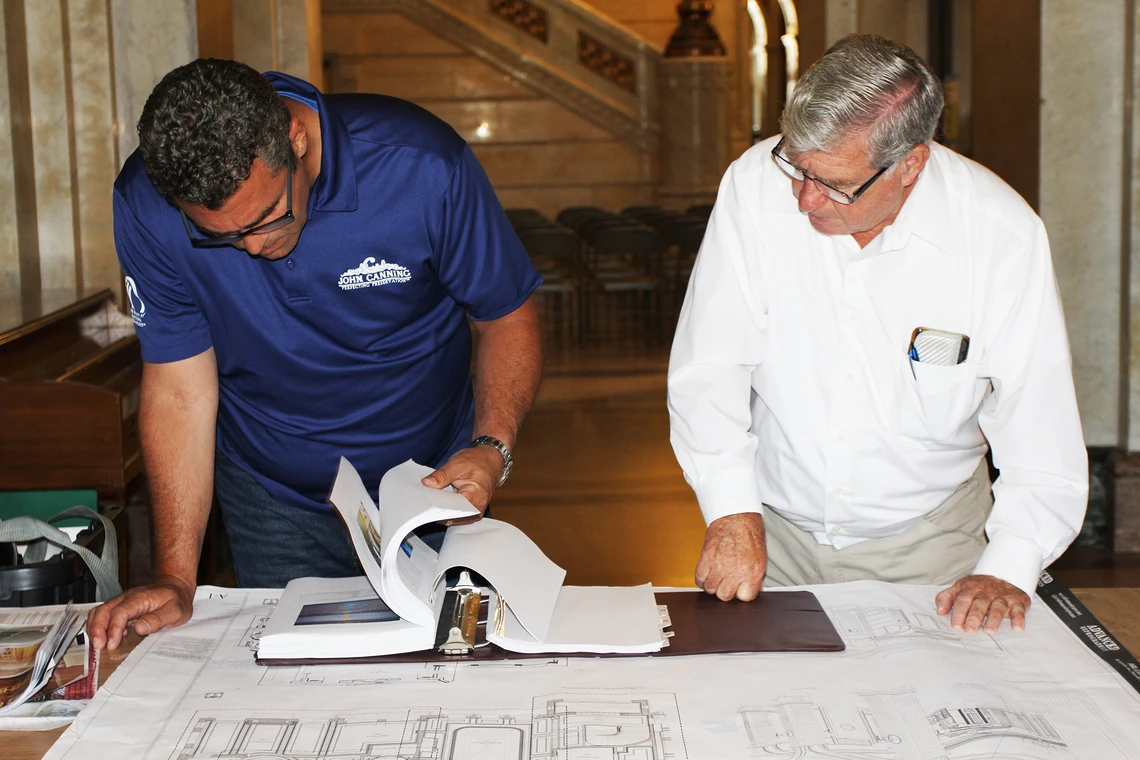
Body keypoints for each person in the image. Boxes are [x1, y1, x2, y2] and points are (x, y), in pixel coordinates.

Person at [88, 59, 543, 650]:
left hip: (432, 485)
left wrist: (491, 448)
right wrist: (176, 577)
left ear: (296, 139)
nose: (252, 247)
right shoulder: (147, 204)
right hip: (271, 492)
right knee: (295, 686)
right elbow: (179, 389)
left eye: (266, 216)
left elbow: (506, 315)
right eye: (221, 236)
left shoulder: (421, 165)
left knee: (442, 676)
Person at [667, 34, 1088, 634]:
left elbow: (1038, 420)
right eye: (798, 169)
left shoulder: (1000, 236)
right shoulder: (755, 186)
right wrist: (731, 507)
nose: (806, 200)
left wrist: (1009, 566)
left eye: (836, 184)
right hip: (772, 536)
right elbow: (710, 364)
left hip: (933, 549)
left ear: (911, 163)